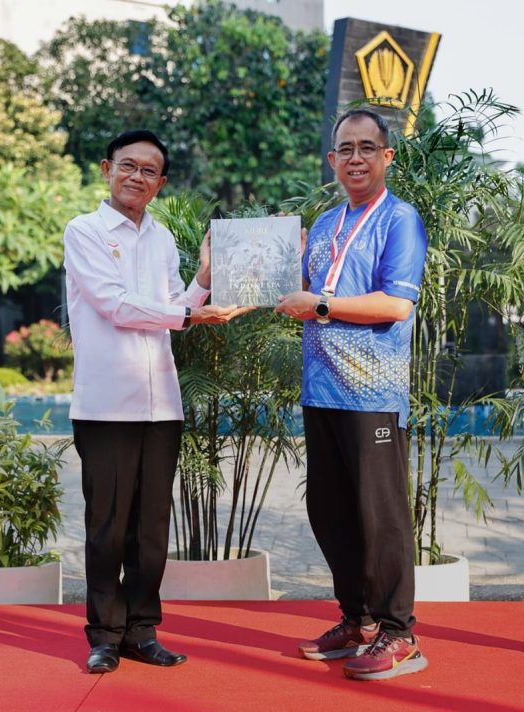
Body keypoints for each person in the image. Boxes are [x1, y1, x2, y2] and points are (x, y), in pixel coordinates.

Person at [64, 129, 249, 674]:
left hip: (161, 405)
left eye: (149, 170)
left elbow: (173, 309)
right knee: (107, 526)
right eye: (129, 165)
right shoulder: (85, 232)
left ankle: (142, 631)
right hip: (105, 406)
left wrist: (205, 281)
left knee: (150, 528)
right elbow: (116, 305)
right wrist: (189, 313)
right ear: (107, 168)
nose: (137, 176)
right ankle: (104, 634)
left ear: (160, 183)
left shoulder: (164, 239)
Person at [276, 108, 429, 681]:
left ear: (386, 157)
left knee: (379, 514)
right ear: (332, 159)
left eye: (368, 147)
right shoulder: (323, 225)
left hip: (373, 394)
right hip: (321, 389)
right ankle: (358, 619)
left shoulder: (400, 220)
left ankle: (399, 632)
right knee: (331, 510)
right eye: (346, 148)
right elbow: (302, 290)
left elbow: (395, 304)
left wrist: (316, 304)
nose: (356, 157)